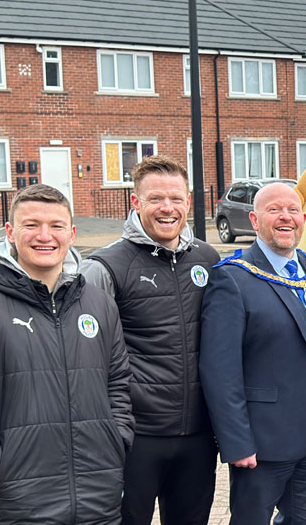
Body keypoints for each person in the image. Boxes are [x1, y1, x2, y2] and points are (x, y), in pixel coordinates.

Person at [0, 184, 133, 523]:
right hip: (11, 502)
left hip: (95, 496)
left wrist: (116, 442)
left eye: (55, 225)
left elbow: (118, 384)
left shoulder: (99, 304)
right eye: (31, 224)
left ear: (71, 233)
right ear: (10, 232)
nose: (44, 236)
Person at [79, 155, 221, 525]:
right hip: (134, 438)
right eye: (156, 198)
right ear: (136, 202)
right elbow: (84, 360)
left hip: (198, 436)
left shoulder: (207, 258)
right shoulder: (104, 267)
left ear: (189, 203)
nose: (167, 208)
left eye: (176, 198)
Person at [200, 182, 306, 525]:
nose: (285, 217)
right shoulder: (232, 279)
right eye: (274, 210)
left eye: (292, 210)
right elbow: (220, 370)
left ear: (303, 218)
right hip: (262, 442)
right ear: (254, 220)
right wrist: (236, 443)